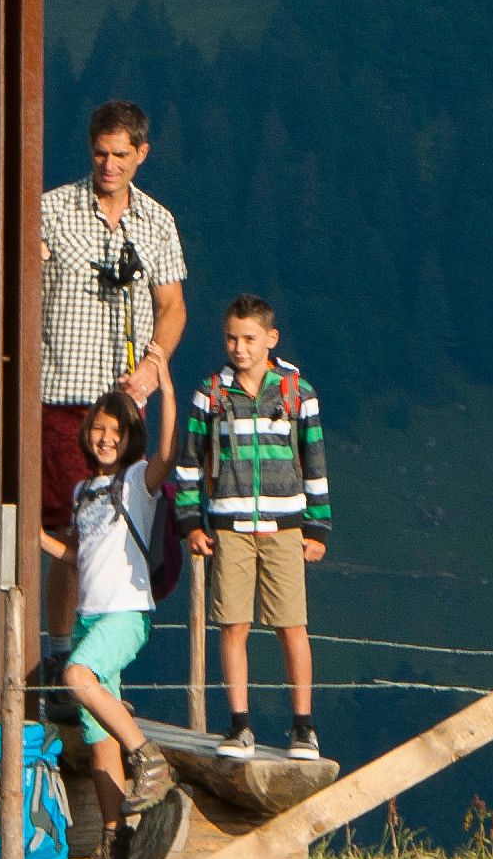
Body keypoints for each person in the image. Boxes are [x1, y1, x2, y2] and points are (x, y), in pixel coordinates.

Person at [175, 291, 329, 758]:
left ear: (270, 339)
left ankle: (303, 726)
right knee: (233, 624)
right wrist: (191, 522)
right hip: (229, 527)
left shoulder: (297, 393)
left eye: (248, 338)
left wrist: (317, 526)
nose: (238, 348)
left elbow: (315, 460)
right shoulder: (211, 393)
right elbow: (189, 464)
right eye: (230, 338)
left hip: (285, 527)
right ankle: (239, 724)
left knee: (291, 626)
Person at [28, 97, 189, 478]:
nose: (109, 165)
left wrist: (154, 364)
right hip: (60, 395)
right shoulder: (50, 210)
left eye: (120, 154)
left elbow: (172, 307)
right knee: (66, 520)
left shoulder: (158, 222)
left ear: (142, 153)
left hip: (125, 402)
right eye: (101, 154)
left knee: (118, 520)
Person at [45, 395, 177, 810]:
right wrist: (34, 536)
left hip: (125, 614)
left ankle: (148, 756)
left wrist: (167, 388)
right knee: (99, 738)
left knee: (77, 675)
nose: (106, 439)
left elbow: (168, 453)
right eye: (99, 429)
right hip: (89, 616)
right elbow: (78, 558)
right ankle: (112, 841)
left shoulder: (137, 480)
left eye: (116, 433)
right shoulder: (82, 490)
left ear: (130, 439)